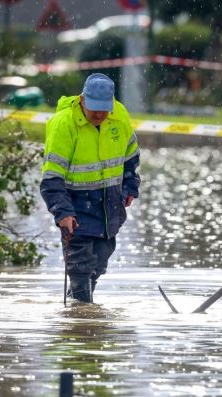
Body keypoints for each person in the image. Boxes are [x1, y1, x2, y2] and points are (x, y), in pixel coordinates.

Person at [40, 73, 141, 303]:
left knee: (99, 262)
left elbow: (131, 156)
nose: (99, 115)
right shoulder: (63, 124)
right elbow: (51, 177)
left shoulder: (120, 115)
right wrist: (62, 212)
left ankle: (82, 310)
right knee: (80, 265)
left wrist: (130, 187)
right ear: (82, 100)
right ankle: (82, 316)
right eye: (94, 108)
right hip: (76, 206)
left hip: (110, 205)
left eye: (104, 110)